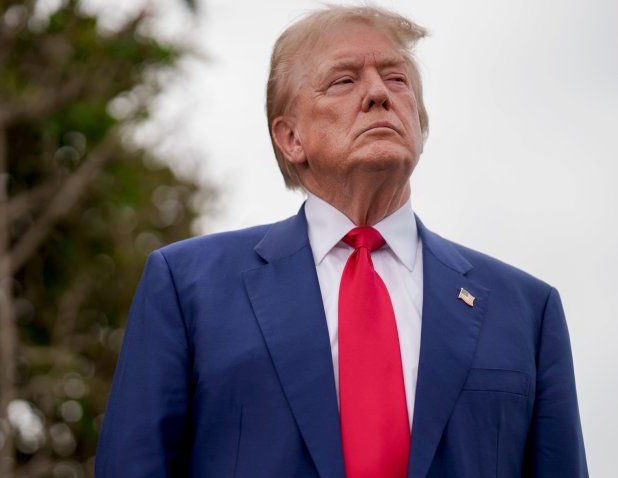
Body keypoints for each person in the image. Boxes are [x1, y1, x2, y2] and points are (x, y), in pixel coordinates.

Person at [95, 5, 588, 477]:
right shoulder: (188, 287)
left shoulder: (527, 310)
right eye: (344, 80)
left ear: (419, 121)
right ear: (291, 138)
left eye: (396, 79)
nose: (378, 94)